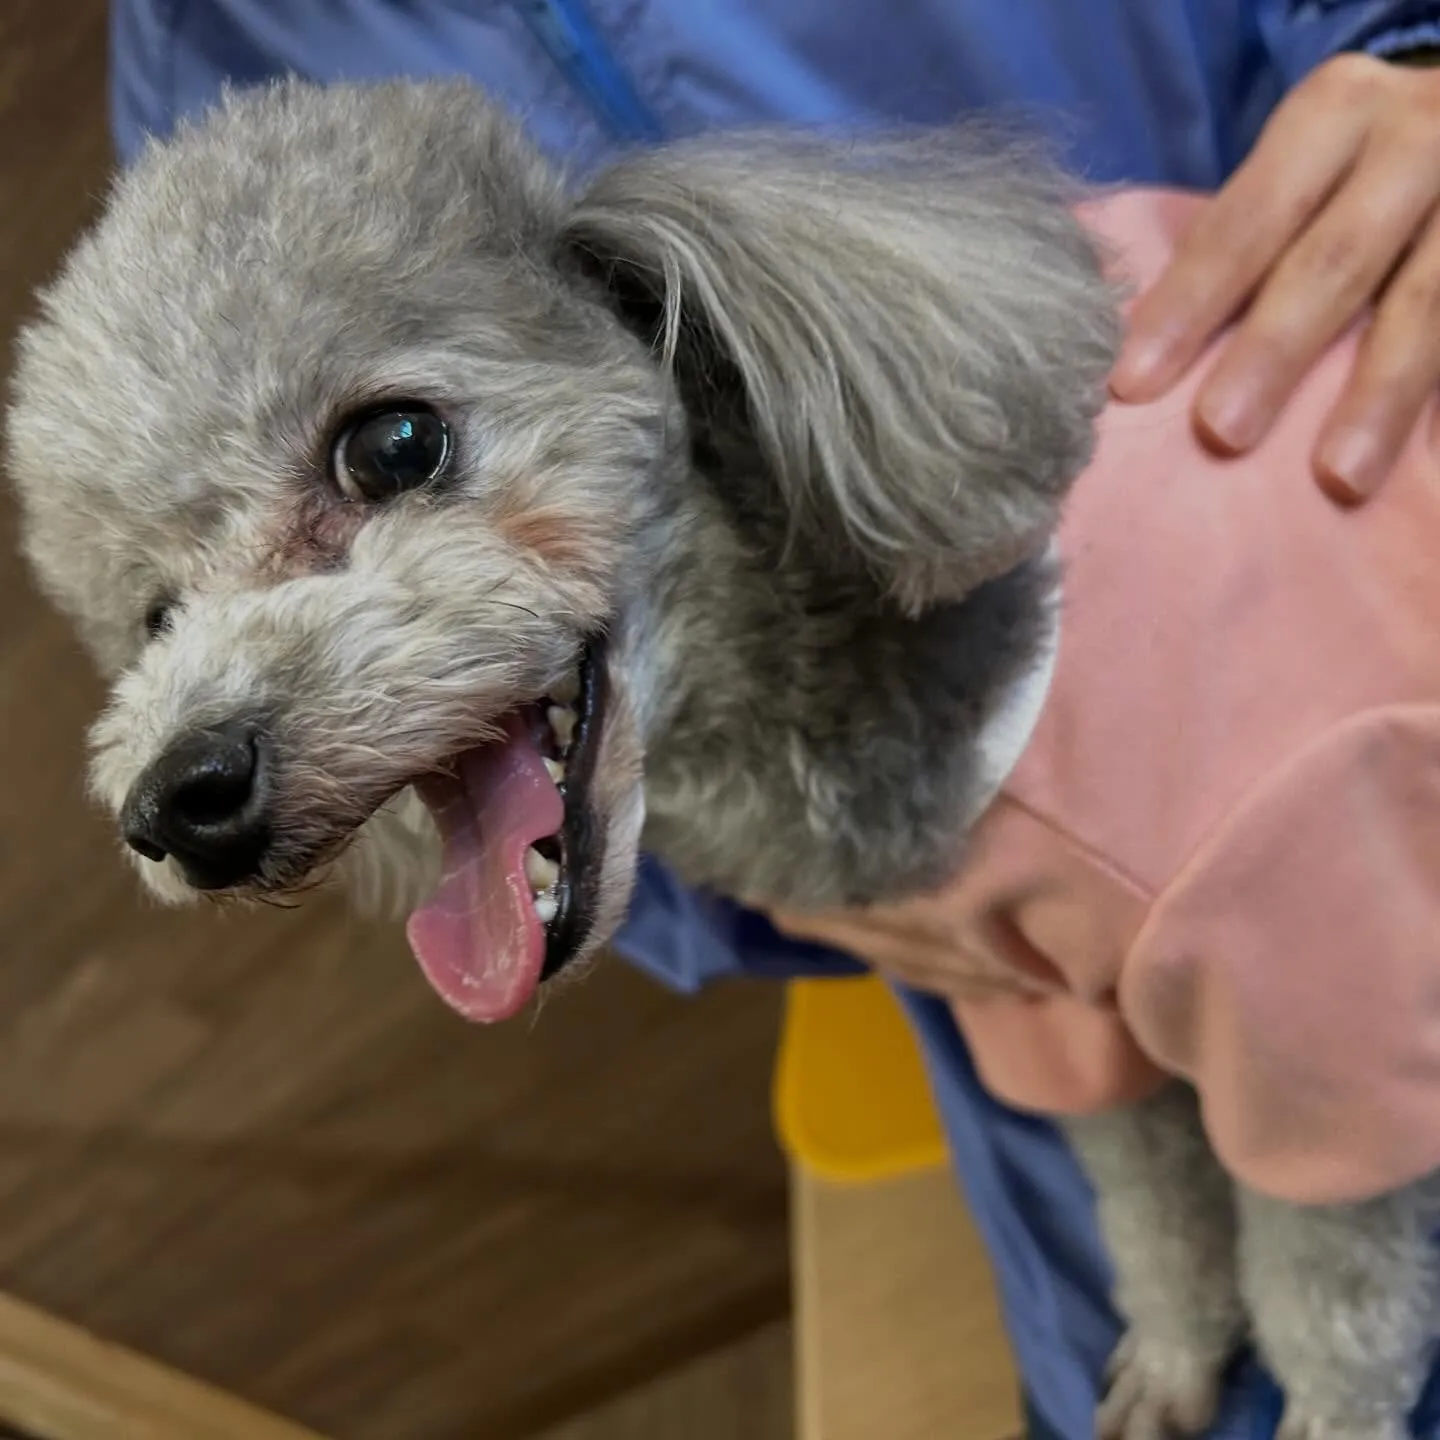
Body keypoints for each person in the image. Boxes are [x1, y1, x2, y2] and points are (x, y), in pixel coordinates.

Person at [108, 4, 1440, 1436]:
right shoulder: (191, 52)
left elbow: (1352, 1117)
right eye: (161, 611)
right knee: (1086, 1091)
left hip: (1263, 672)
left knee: (1332, 1190)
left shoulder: (1229, 787)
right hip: (888, 825)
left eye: (394, 453)